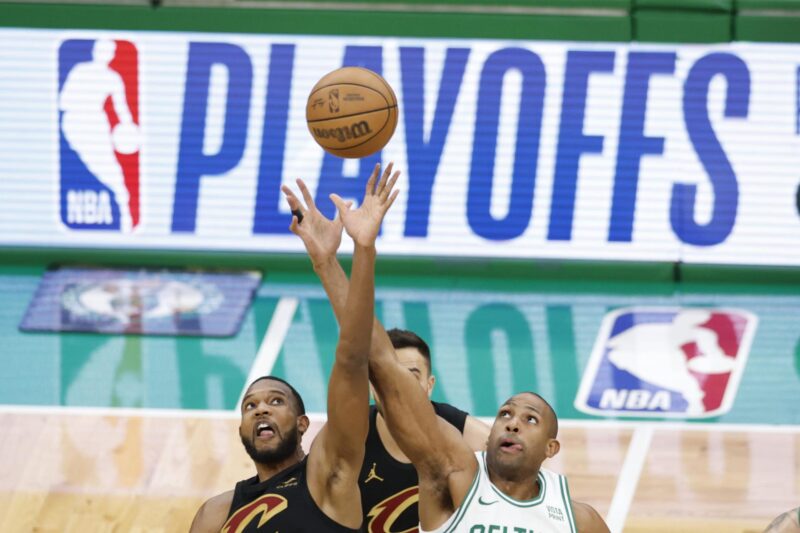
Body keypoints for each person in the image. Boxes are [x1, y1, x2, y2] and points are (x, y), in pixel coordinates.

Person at [285, 164, 608, 532]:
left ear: (551, 449)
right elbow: (378, 361)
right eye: (505, 414)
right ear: (489, 437)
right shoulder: (454, 474)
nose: (513, 423)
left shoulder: (579, 519)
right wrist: (357, 252)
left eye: (529, 419)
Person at [189, 158, 400, 531]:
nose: (260, 409)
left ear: (303, 424)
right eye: (250, 406)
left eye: (275, 402)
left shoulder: (328, 474)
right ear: (241, 431)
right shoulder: (215, 513)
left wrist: (350, 254)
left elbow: (353, 357)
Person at [282, 164, 490, 532]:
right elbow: (369, 354)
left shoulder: (458, 435)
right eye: (394, 376)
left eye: (414, 376)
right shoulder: (348, 435)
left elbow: (517, 471)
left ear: (430, 385)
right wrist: (330, 260)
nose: (402, 384)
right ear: (376, 384)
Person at [60, 39, 138, 232]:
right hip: (76, 123)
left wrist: (128, 128)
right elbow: (63, 101)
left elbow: (122, 110)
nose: (104, 54)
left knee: (113, 172)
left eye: (108, 51)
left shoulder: (113, 78)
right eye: (101, 50)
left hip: (95, 123)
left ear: (111, 55)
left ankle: (126, 217)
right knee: (98, 169)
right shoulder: (80, 71)